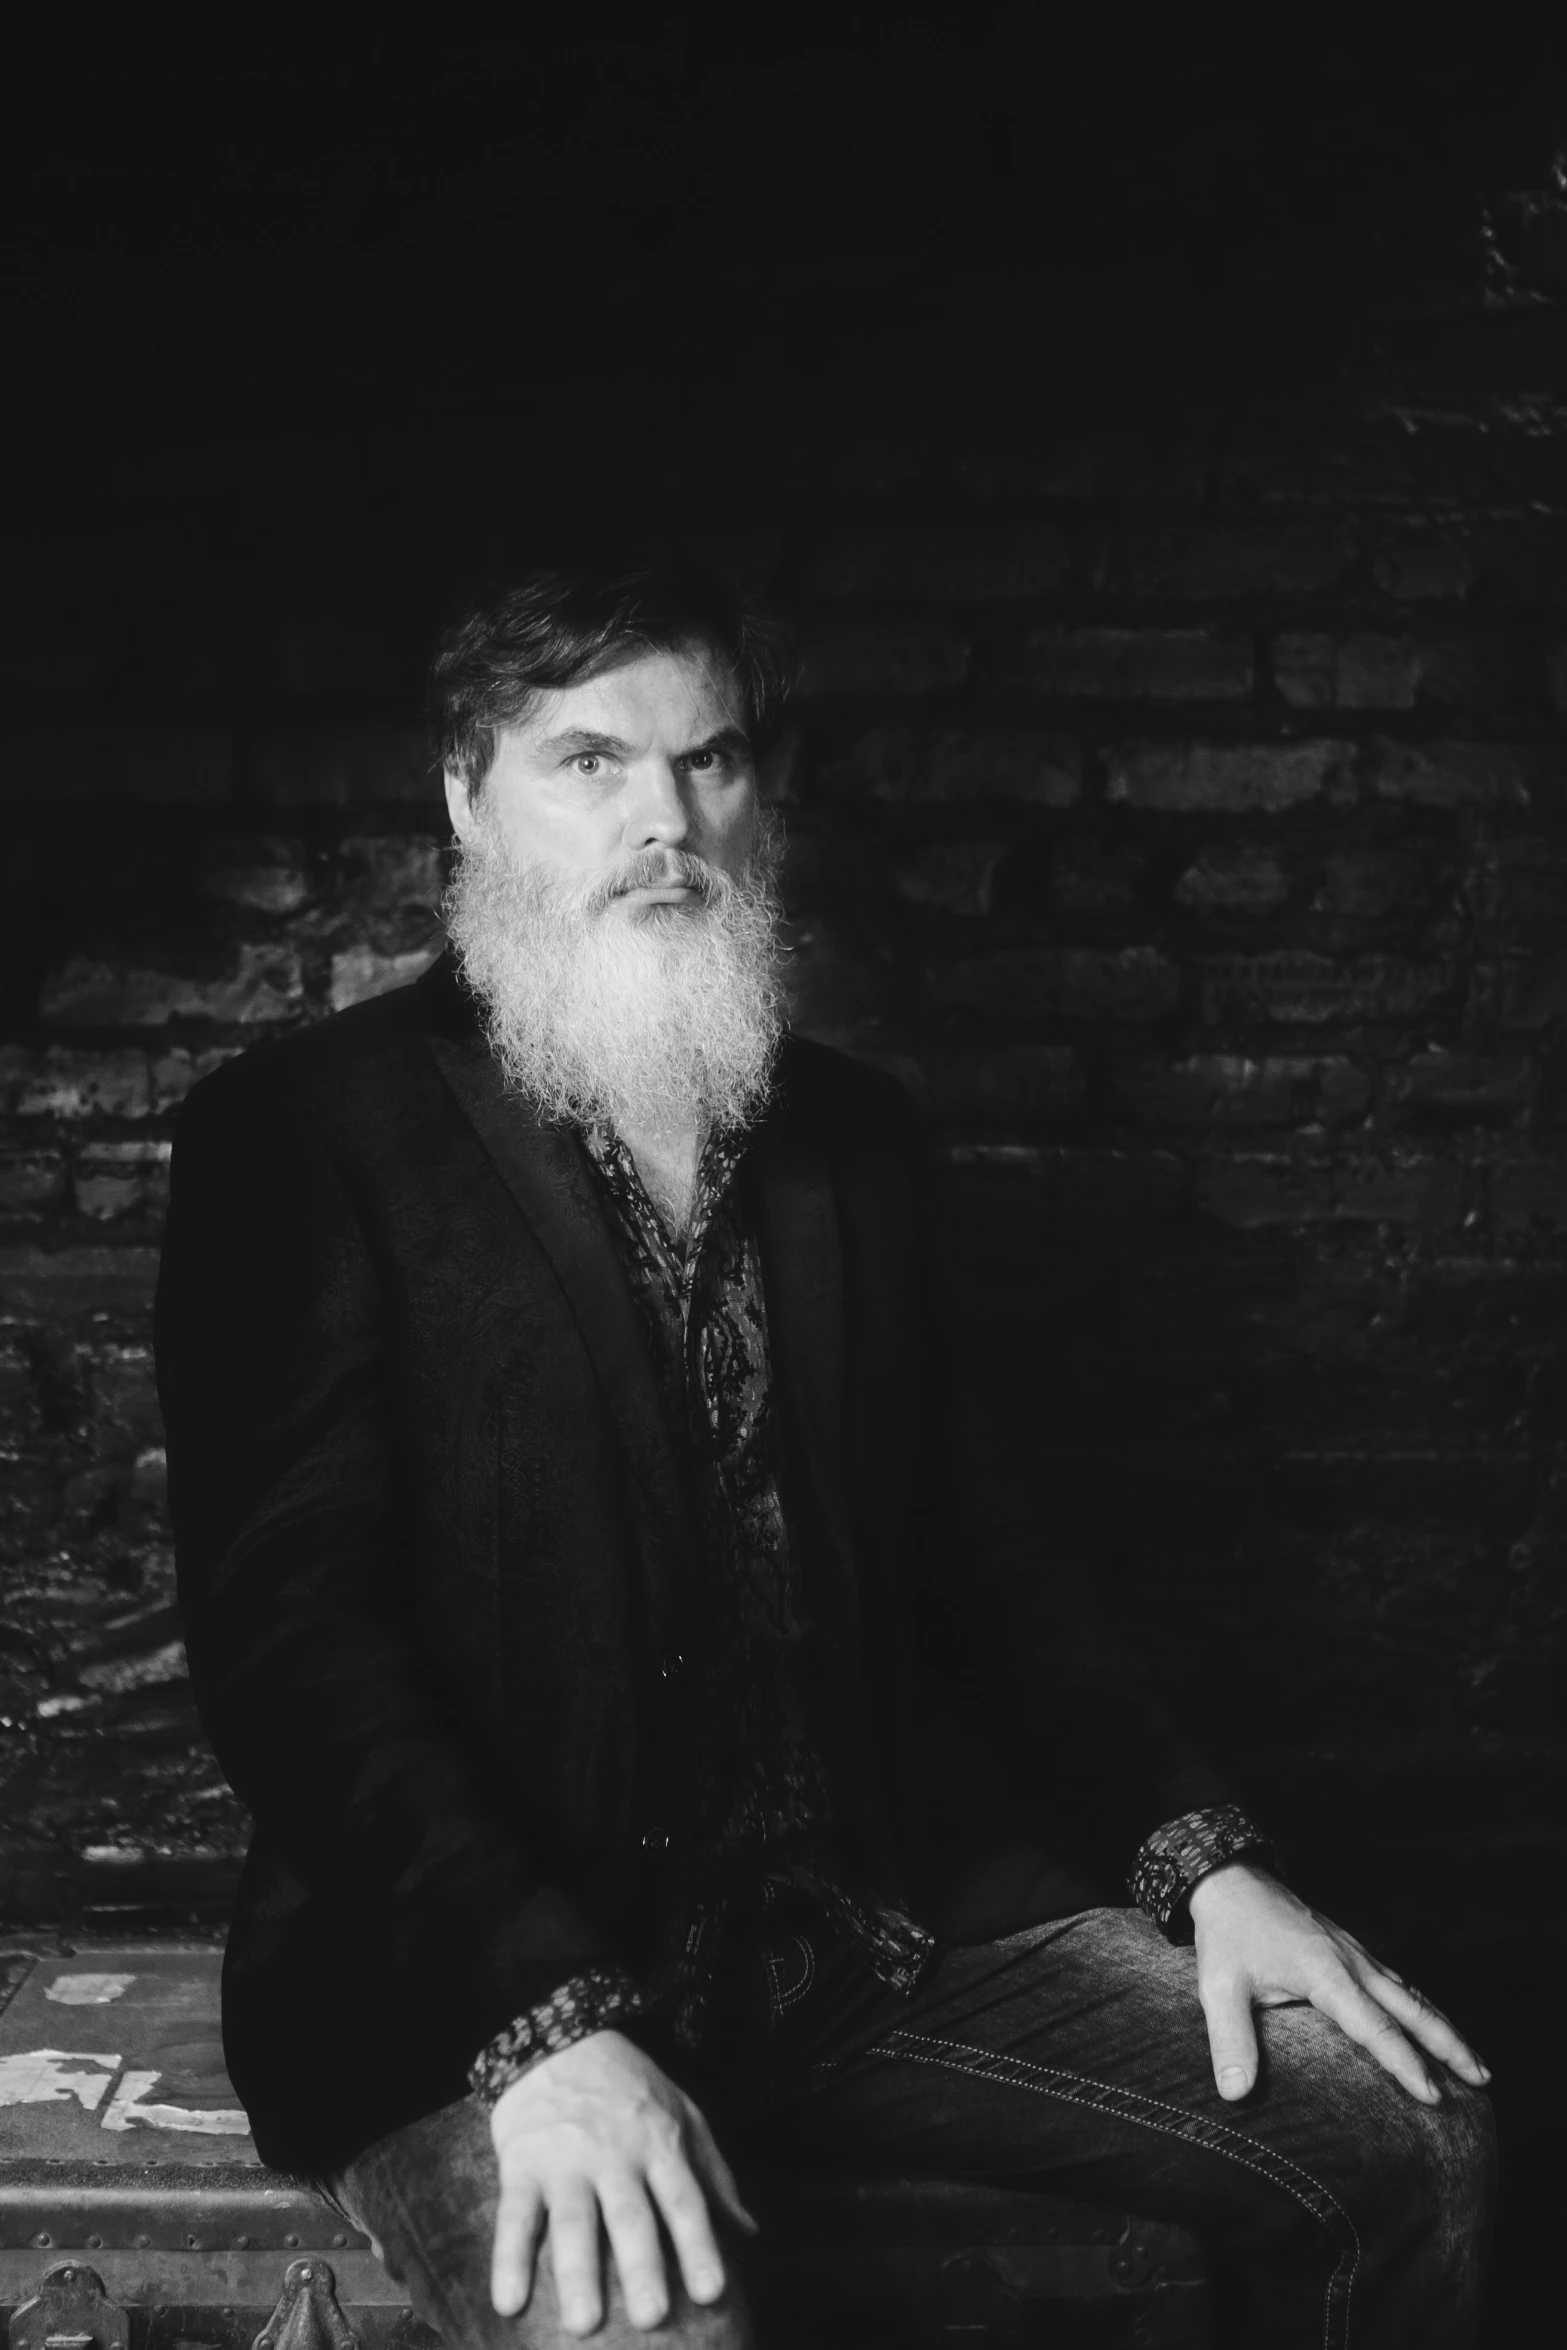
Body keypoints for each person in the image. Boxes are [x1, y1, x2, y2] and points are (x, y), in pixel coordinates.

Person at [155, 562, 1494, 2350]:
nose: (664, 819)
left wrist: (1207, 1860)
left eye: (707, 762)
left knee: (1412, 2129)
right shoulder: (302, 1136)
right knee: (659, 2333)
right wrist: (543, 2023)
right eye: (590, 763)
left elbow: (992, 1566)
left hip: (864, 1943)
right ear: (465, 793)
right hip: (471, 1988)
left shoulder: (851, 1136)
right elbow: (289, 1646)